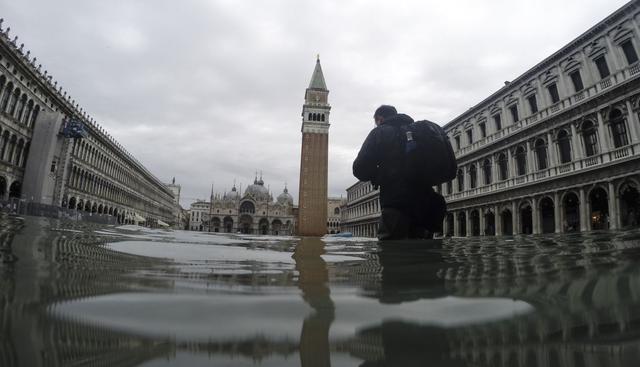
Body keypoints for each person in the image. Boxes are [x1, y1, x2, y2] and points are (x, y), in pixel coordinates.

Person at [353, 105, 446, 240]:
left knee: (393, 254)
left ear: (379, 119)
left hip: (396, 204)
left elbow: (359, 168)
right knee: (425, 254)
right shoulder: (420, 132)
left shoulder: (380, 133)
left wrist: (378, 175)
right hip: (426, 205)